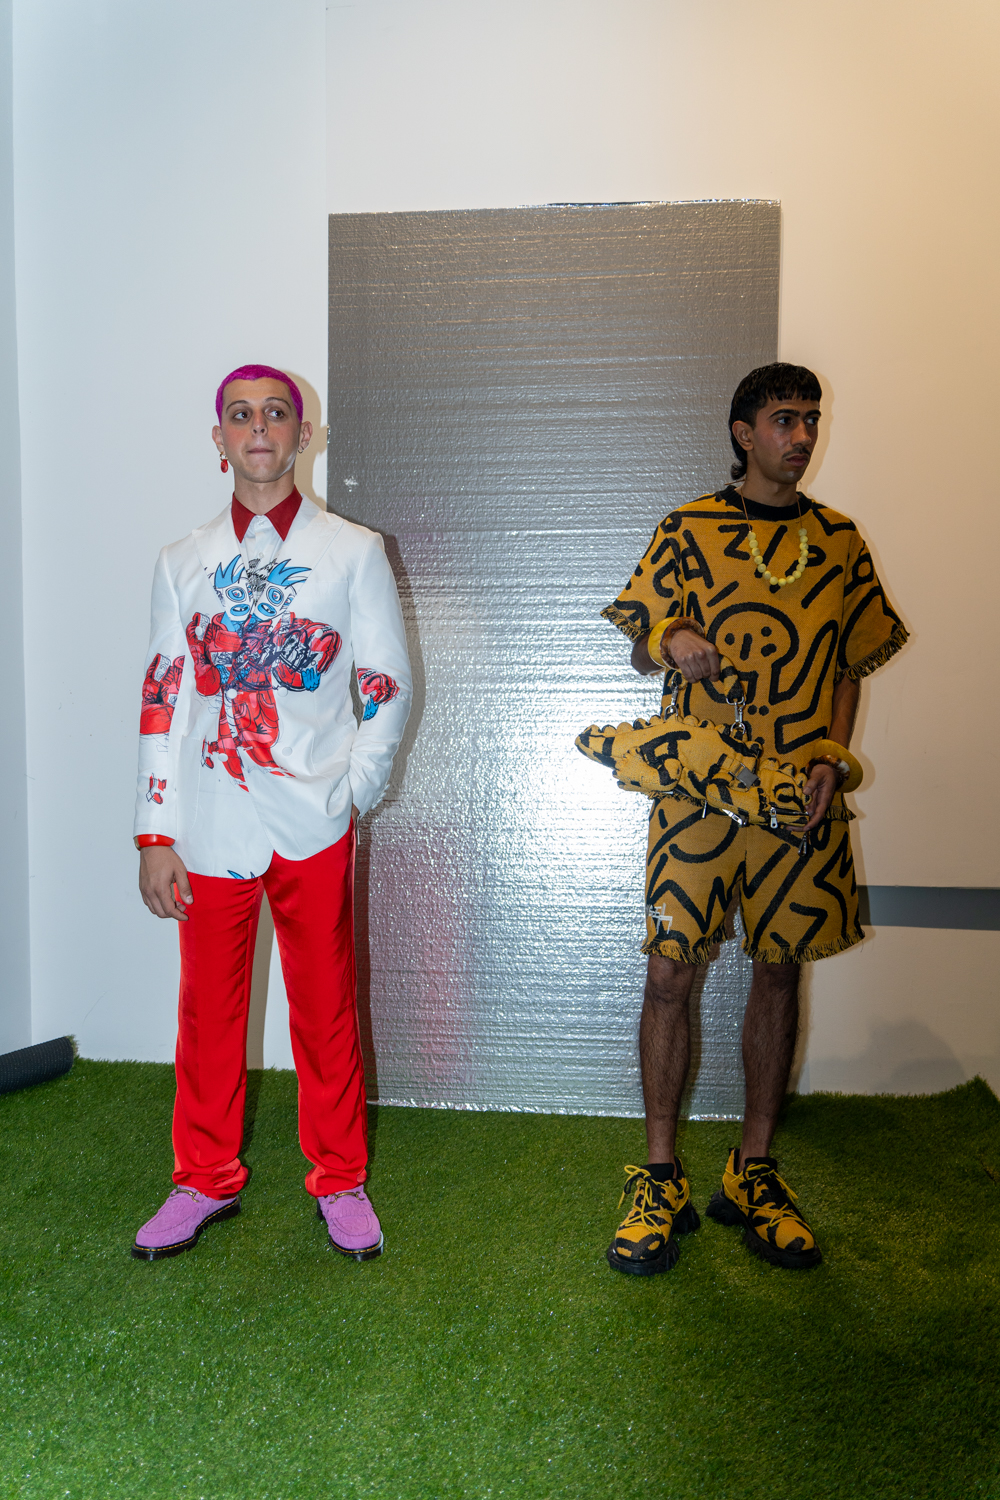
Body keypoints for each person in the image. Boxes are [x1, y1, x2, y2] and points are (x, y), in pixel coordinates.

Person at [601, 363, 906, 1275]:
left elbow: (853, 663)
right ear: (744, 433)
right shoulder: (688, 528)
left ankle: (753, 1170)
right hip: (698, 788)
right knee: (670, 976)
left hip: (797, 800)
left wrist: (834, 759)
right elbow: (638, 633)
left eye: (811, 419)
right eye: (784, 419)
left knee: (778, 977)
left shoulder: (841, 541)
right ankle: (660, 1176)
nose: (801, 435)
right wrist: (668, 640)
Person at [131, 364, 411, 1262]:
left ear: (303, 435)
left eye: (276, 414)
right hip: (209, 820)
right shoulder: (181, 562)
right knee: (207, 1013)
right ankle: (201, 1178)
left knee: (325, 1010)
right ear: (219, 439)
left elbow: (384, 681)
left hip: (314, 818)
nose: (259, 429)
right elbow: (162, 699)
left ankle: (340, 1179)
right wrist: (154, 832)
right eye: (240, 416)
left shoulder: (354, 551)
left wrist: (354, 790)